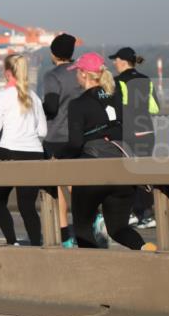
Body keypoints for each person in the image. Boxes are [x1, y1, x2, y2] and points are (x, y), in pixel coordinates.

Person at [55, 53, 155, 251]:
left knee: (83, 227)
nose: (76, 76)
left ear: (84, 74)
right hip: (122, 170)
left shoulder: (78, 104)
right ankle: (146, 250)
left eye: (77, 72)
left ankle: (92, 272)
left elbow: (75, 144)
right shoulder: (117, 97)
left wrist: (58, 155)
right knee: (118, 229)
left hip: (93, 172)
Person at [0, 54, 47, 246]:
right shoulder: (35, 97)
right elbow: (43, 131)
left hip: (9, 152)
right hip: (35, 154)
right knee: (27, 206)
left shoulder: (1, 97)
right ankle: (37, 244)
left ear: (6, 73)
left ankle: (12, 242)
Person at [41, 33, 84, 247]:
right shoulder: (82, 72)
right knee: (77, 183)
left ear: (53, 53)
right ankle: (87, 225)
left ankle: (65, 234)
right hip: (81, 135)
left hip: (56, 136)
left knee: (59, 188)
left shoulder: (52, 76)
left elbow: (51, 106)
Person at [110, 47, 160, 229]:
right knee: (144, 172)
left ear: (123, 61)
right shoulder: (146, 80)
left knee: (127, 173)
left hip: (128, 133)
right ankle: (147, 214)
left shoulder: (118, 82)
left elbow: (117, 111)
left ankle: (130, 213)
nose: (114, 63)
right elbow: (155, 108)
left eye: (115, 60)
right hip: (147, 132)